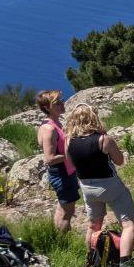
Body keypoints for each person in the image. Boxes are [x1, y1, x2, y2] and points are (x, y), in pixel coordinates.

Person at [65, 103, 134, 267]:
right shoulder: (104, 140)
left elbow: (70, 165)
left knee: (93, 226)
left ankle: (92, 261)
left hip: (87, 188)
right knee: (128, 224)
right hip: (110, 186)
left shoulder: (68, 142)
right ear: (94, 118)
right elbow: (119, 161)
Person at [34, 90, 78, 232]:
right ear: (47, 107)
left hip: (66, 171)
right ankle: (62, 242)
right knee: (68, 212)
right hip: (62, 173)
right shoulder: (49, 129)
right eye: (57, 102)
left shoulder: (56, 122)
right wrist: (73, 152)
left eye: (61, 100)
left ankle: (59, 234)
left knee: (62, 208)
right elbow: (50, 158)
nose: (61, 104)